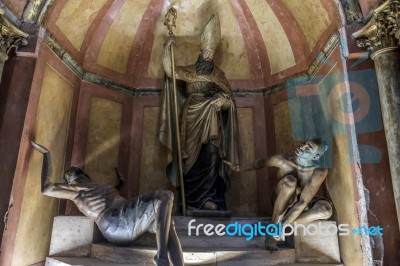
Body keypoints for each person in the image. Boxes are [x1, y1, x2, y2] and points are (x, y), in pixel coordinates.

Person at [31, 141, 183, 266]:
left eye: (71, 170)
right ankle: (162, 257)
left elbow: (109, 194)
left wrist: (120, 182)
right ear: (69, 180)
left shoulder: (99, 185)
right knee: (165, 195)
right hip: (115, 222)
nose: (70, 171)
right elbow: (47, 188)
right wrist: (47, 154)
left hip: (123, 220)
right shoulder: (77, 190)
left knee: (168, 222)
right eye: (68, 173)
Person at [159, 14, 240, 212]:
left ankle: (208, 199)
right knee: (188, 159)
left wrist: (225, 101)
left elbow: (230, 102)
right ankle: (188, 201)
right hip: (191, 118)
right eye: (205, 52)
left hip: (212, 121)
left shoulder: (219, 75)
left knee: (212, 154)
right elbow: (170, 72)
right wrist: (167, 47)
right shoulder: (188, 70)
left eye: (211, 53)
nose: (208, 56)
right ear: (200, 52)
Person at [243, 140, 333, 251]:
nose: (303, 146)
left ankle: (279, 228)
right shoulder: (285, 160)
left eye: (308, 147)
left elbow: (303, 201)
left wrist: (283, 226)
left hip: (303, 202)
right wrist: (240, 167)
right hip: (284, 198)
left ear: (316, 156)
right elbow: (261, 162)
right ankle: (272, 232)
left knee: (326, 210)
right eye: (305, 142)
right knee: (290, 182)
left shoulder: (319, 171)